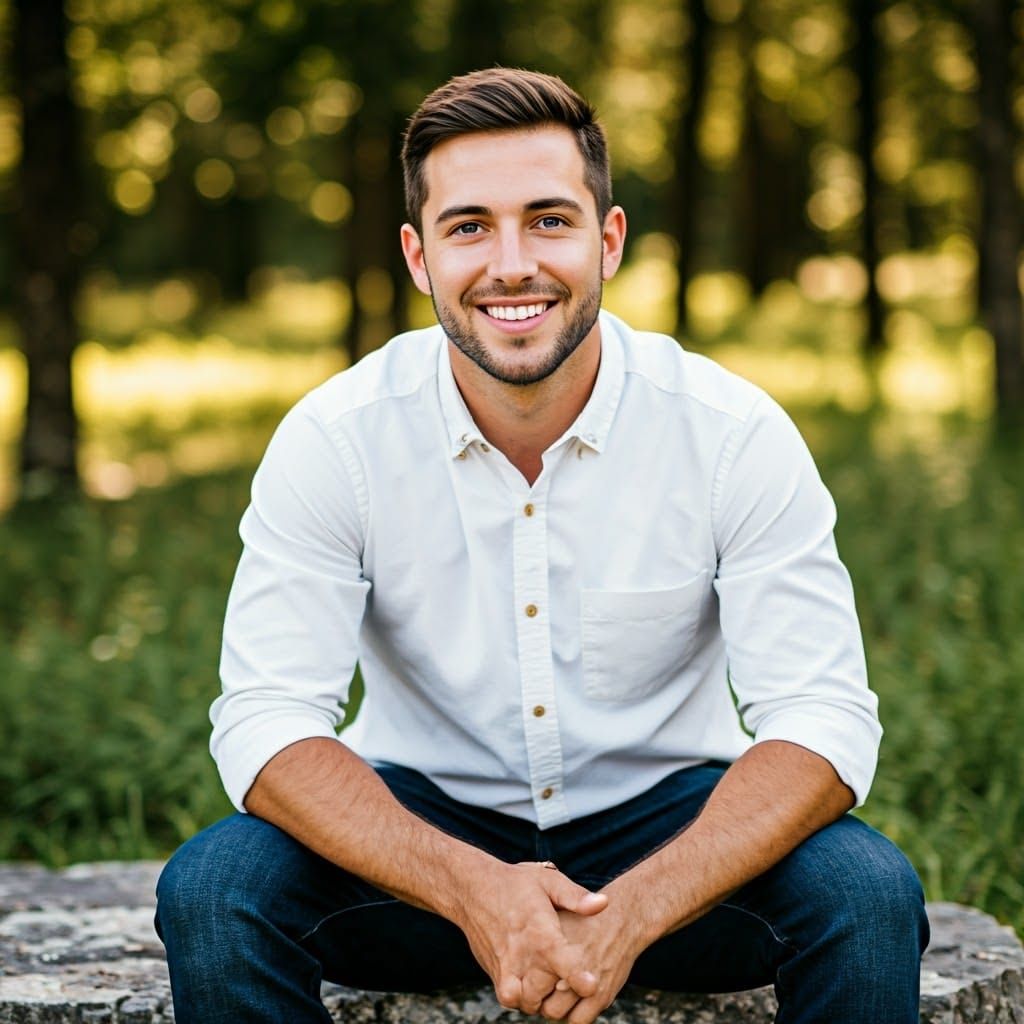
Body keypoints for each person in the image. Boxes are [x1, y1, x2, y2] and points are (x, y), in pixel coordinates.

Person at [155, 68, 929, 1024]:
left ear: (608, 240)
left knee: (865, 894)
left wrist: (632, 913)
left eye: (550, 221)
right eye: (469, 226)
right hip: (422, 840)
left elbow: (821, 721)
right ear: (418, 256)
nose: (511, 264)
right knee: (215, 889)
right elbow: (267, 721)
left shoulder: (730, 432)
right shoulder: (336, 438)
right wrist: (476, 889)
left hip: (670, 833)